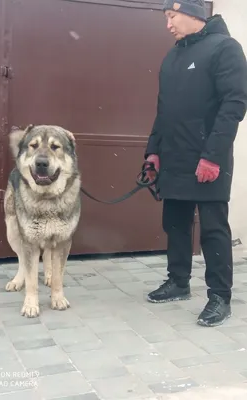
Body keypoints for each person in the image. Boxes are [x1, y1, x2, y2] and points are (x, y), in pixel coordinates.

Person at [144, 0, 247, 327]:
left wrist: (213, 156)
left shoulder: (226, 49)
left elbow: (234, 104)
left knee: (213, 229)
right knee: (175, 222)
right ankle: (178, 281)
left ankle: (220, 296)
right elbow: (163, 111)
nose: (168, 24)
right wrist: (153, 152)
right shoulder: (172, 56)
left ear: (192, 14)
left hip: (207, 159)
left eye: (172, 16)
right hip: (174, 157)